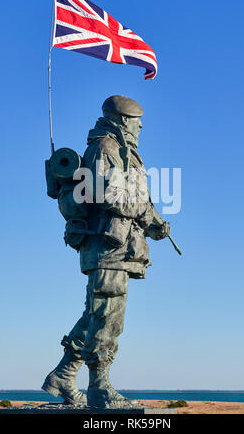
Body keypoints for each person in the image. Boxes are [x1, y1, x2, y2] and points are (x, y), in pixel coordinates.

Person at [42, 95, 170, 408]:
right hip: (107, 247)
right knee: (108, 316)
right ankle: (99, 389)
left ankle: (63, 375)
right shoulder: (105, 147)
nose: (140, 126)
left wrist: (154, 224)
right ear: (124, 120)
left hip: (117, 247)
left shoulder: (121, 151)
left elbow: (131, 199)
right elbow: (106, 194)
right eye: (136, 120)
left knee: (98, 313)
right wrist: (145, 213)